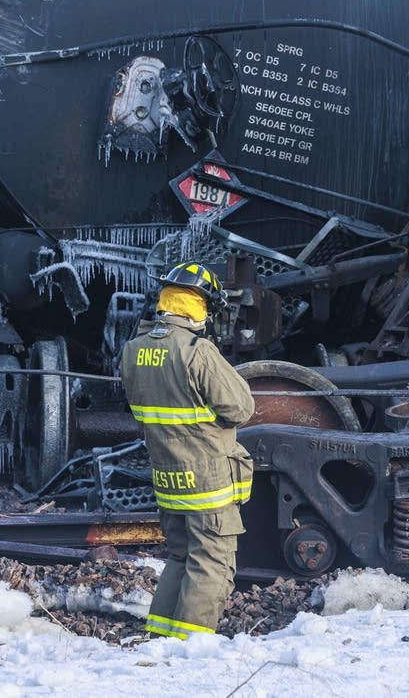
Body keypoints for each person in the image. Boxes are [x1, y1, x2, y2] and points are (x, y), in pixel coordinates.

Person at [118, 261, 255, 639]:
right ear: (201, 307)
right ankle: (189, 652)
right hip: (208, 482)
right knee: (211, 562)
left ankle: (161, 639)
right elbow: (241, 408)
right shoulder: (197, 351)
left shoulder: (133, 350)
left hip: (167, 477)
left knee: (180, 557)